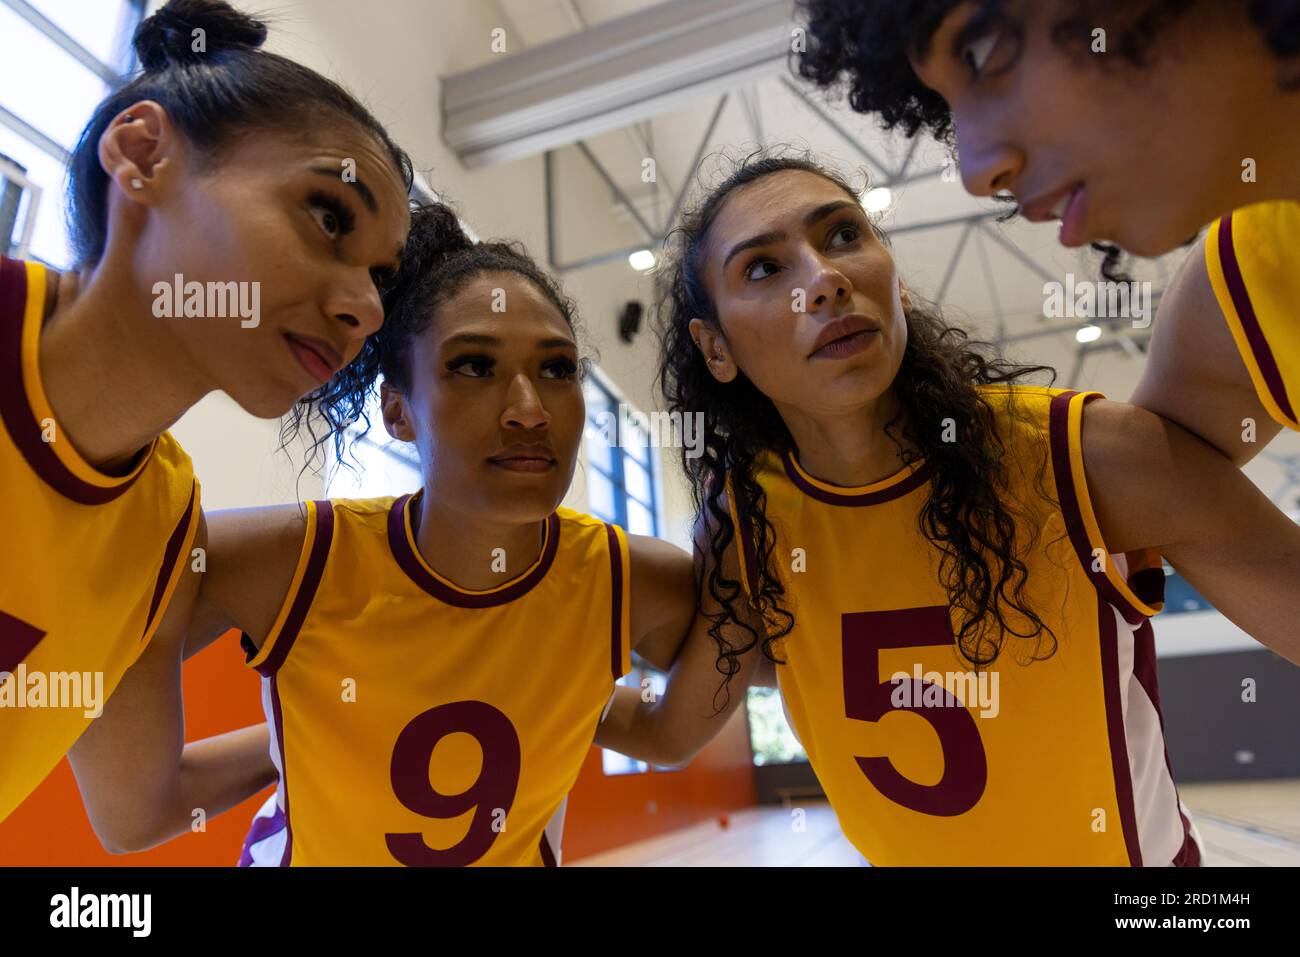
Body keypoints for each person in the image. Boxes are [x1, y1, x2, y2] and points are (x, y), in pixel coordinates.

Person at [595, 152, 1300, 865]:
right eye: (763, 268)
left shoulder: (1083, 455)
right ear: (715, 347)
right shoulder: (744, 521)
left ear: (894, 279)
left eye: (842, 235)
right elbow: (668, 730)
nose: (824, 279)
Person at [72, 204, 699, 865]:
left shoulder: (628, 577)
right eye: (475, 366)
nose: (527, 409)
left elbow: (684, 720)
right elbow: (135, 816)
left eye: (557, 368)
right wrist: (296, 736)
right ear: (397, 410)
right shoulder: (292, 560)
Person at [0, 0, 414, 826]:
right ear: (144, 154)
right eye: (328, 215)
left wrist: (352, 709)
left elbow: (138, 809)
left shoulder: (162, 534)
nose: (366, 306)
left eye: (381, 276)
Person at [793, 0, 1300, 463]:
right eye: (947, 107)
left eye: (980, 53)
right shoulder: (1247, 286)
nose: (974, 174)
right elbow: (1149, 489)